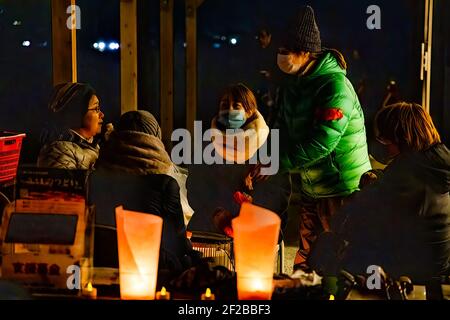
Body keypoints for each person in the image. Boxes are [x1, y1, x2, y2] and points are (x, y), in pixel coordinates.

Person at [253, 6, 372, 272]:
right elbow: (282, 128)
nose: (280, 55)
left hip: (341, 190)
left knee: (337, 263)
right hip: (311, 188)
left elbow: (323, 142)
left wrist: (277, 164)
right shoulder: (295, 84)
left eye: (286, 50)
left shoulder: (334, 86)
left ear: (305, 52)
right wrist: (265, 157)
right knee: (305, 264)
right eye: (279, 49)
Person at [309, 102, 450, 284]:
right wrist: (378, 178)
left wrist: (357, 197)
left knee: (327, 247)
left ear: (401, 137)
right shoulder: (433, 164)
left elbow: (355, 217)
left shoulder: (406, 175)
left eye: (384, 139)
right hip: (436, 262)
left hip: (413, 270)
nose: (383, 146)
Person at [89, 110, 198, 279]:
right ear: (155, 140)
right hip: (150, 273)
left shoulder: (92, 180)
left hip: (97, 269)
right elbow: (178, 244)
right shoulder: (164, 184)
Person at [186, 83, 291, 236]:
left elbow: (280, 194)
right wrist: (216, 212)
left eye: (236, 106)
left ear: (249, 111)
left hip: (257, 218)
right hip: (215, 219)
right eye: (224, 105)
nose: (229, 110)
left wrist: (247, 212)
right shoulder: (206, 144)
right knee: (196, 232)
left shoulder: (268, 145)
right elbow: (195, 188)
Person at [37, 82, 104, 170]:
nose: (102, 115)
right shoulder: (57, 152)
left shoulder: (93, 145)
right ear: (77, 114)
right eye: (96, 109)